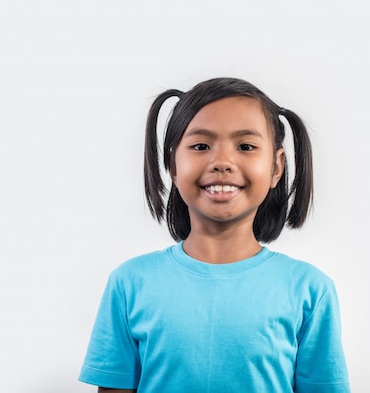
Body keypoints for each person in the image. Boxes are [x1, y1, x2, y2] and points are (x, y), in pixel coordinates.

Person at [79, 77, 350, 392]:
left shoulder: (311, 290)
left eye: (246, 146)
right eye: (201, 146)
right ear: (173, 164)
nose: (222, 162)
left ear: (276, 167)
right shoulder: (129, 284)